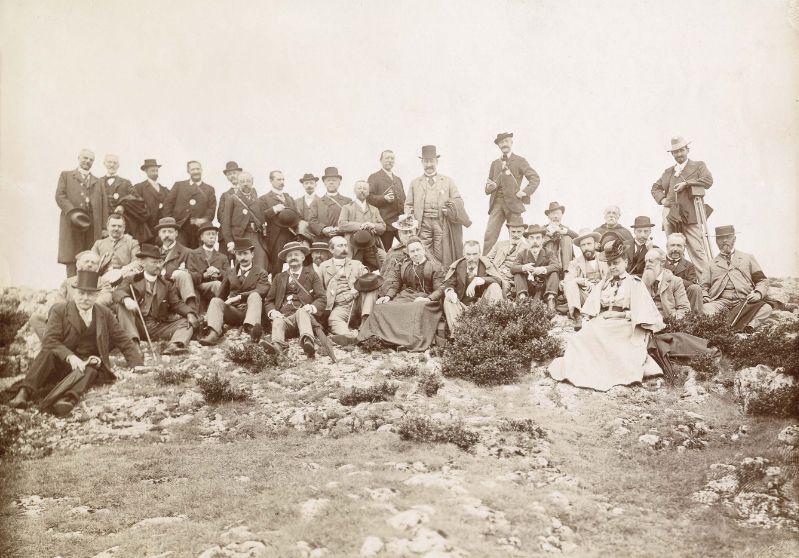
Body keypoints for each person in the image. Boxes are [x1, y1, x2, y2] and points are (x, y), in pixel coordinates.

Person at [6, 270, 142, 415]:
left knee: (92, 370)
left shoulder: (104, 313)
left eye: (90, 294)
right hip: (58, 362)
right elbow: (50, 340)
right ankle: (24, 393)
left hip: (85, 364)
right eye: (81, 293)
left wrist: (137, 365)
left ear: (96, 295)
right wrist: (70, 357)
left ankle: (67, 400)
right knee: (47, 353)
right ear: (75, 293)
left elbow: (122, 340)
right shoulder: (60, 310)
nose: (85, 298)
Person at [549, 238, 665, 392]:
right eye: (610, 264)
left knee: (614, 342)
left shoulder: (634, 283)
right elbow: (591, 306)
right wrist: (591, 318)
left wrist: (620, 316)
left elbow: (643, 313)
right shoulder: (604, 283)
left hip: (623, 324)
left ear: (625, 262)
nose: (613, 267)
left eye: (616, 263)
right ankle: (586, 372)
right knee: (581, 337)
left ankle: (609, 374)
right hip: (602, 321)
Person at [358, 237, 444, 352]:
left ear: (424, 250)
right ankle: (380, 338)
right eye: (412, 251)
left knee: (417, 308)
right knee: (381, 307)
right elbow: (395, 285)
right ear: (408, 253)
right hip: (406, 296)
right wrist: (387, 296)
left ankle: (408, 341)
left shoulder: (434, 266)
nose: (416, 254)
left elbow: (440, 289)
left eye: (418, 250)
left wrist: (428, 299)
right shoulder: (404, 266)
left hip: (427, 300)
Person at [115, 244, 199, 354]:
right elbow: (118, 292)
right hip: (137, 325)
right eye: (154, 262)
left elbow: (176, 304)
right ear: (143, 263)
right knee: (121, 306)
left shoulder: (166, 284)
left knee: (186, 322)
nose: (158, 266)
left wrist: (189, 313)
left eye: (160, 262)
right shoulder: (132, 279)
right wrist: (126, 299)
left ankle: (175, 345)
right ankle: (133, 345)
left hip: (157, 326)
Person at [651, 136, 714, 276]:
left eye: (681, 150)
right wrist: (662, 200)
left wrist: (687, 183)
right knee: (675, 249)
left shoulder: (698, 166)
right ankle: (681, 282)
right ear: (672, 154)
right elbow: (655, 187)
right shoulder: (668, 172)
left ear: (687, 150)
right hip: (670, 215)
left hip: (690, 214)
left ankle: (705, 284)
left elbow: (708, 181)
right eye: (675, 152)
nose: (679, 154)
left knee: (696, 249)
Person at [405, 145, 470, 267]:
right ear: (422, 162)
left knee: (441, 253)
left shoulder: (447, 181)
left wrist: (450, 208)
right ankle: (427, 279)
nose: (429, 164)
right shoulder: (415, 183)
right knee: (424, 252)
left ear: (437, 161)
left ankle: (441, 279)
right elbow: (408, 205)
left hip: (441, 223)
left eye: (431, 161)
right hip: (422, 224)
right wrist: (410, 220)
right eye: (426, 161)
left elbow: (458, 200)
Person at [28, 251, 114, 340]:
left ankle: (58, 347)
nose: (89, 264)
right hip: (66, 318)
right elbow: (59, 301)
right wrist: (68, 312)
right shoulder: (68, 282)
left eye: (93, 263)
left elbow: (106, 297)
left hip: (89, 319)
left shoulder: (103, 282)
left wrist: (84, 307)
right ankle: (55, 346)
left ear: (97, 267)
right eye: (86, 261)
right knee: (36, 318)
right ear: (78, 264)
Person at [199, 239, 270, 345]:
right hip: (234, 312)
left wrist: (238, 297)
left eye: (246, 254)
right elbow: (221, 295)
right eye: (239, 254)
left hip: (252, 311)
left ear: (252, 254)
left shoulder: (261, 272)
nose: (243, 258)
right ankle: (214, 333)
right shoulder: (230, 272)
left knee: (255, 295)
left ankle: (252, 330)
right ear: (236, 255)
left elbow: (262, 290)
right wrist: (215, 312)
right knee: (215, 300)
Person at [701, 225, 773, 331]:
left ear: (734, 239)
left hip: (744, 301)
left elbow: (762, 280)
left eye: (728, 237)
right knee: (704, 309)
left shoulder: (747, 258)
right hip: (720, 302)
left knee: (767, 308)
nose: (725, 240)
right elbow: (703, 286)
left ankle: (749, 327)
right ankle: (735, 325)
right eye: (720, 238)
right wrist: (705, 296)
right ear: (716, 241)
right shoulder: (710, 264)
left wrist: (758, 293)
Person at [263, 241, 326, 358]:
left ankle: (308, 342)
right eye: (289, 256)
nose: (293, 258)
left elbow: (322, 298)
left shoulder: (312, 275)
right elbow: (269, 300)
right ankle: (277, 347)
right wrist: (273, 312)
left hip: (305, 319)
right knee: (277, 320)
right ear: (286, 260)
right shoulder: (279, 277)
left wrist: (311, 307)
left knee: (301, 312)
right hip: (285, 319)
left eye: (296, 255)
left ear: (303, 257)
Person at [483, 132, 540, 255]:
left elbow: (535, 178)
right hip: (497, 204)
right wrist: (489, 187)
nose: (504, 144)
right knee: (489, 236)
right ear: (498, 145)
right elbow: (487, 188)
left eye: (506, 141)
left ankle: (518, 269)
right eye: (501, 142)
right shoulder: (495, 163)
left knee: (517, 238)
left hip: (514, 205)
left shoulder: (520, 160)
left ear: (511, 142)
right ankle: (483, 272)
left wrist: (524, 192)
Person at [56, 149, 106, 277]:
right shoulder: (66, 175)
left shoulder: (99, 182)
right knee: (72, 257)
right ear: (78, 158)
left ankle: (88, 290)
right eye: (85, 158)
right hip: (73, 223)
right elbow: (60, 196)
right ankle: (71, 291)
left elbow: (104, 205)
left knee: (91, 257)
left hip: (93, 225)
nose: (87, 161)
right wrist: (73, 213)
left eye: (91, 160)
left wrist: (104, 227)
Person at [317, 236, 376, 342]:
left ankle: (364, 324)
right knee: (333, 319)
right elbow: (319, 290)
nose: (344, 248)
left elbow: (370, 280)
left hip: (358, 301)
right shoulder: (323, 267)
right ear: (331, 249)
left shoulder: (356, 264)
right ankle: (349, 336)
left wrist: (358, 288)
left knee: (372, 290)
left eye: (345, 245)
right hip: (340, 306)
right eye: (340, 246)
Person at [442, 240, 504, 332]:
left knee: (494, 286)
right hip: (462, 307)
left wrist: (481, 280)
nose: (471, 258)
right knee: (448, 298)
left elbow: (499, 281)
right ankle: (459, 335)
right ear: (464, 254)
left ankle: (495, 329)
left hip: (483, 306)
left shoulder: (486, 265)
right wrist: (450, 291)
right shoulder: (458, 266)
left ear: (480, 254)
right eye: (468, 254)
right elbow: (449, 283)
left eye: (475, 254)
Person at [163, 160, 216, 249]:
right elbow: (168, 204)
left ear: (201, 170)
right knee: (180, 252)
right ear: (188, 171)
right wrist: (171, 223)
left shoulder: (209, 189)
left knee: (198, 255)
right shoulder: (179, 185)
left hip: (199, 229)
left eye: (198, 169)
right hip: (181, 227)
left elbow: (211, 208)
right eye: (193, 169)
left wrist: (202, 220)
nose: (196, 172)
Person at [221, 171, 267, 270]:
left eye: (248, 181)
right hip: (240, 237)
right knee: (243, 263)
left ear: (252, 183)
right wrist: (230, 241)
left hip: (256, 236)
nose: (245, 184)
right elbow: (226, 223)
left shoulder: (257, 200)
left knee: (261, 261)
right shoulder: (232, 199)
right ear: (238, 183)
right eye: (242, 181)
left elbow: (263, 217)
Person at [563, 228, 608, 330]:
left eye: (589, 244)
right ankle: (577, 315)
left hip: (602, 294)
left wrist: (599, 286)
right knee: (570, 284)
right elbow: (567, 280)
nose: (586, 248)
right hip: (586, 296)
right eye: (583, 245)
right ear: (580, 247)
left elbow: (610, 277)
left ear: (595, 244)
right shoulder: (574, 263)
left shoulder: (604, 259)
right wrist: (583, 281)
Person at [259, 170, 300, 277]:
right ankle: (276, 291)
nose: (282, 182)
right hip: (276, 238)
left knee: (294, 263)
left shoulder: (289, 198)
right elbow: (260, 217)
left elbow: (296, 215)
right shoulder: (264, 199)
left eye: (283, 179)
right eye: (278, 179)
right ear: (271, 181)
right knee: (277, 266)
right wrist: (273, 210)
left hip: (291, 236)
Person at [511, 224, 560, 310]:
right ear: (527, 240)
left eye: (538, 238)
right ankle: (523, 298)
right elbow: (513, 268)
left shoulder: (549, 253)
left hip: (544, 287)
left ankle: (550, 299)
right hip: (528, 287)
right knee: (518, 272)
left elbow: (557, 266)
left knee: (554, 272)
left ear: (542, 239)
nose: (535, 241)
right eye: (532, 238)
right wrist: (524, 267)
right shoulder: (522, 254)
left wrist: (542, 269)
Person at [155, 217, 199, 312]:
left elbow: (198, 277)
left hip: (178, 293)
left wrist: (184, 273)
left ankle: (192, 312)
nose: (167, 235)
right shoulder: (154, 253)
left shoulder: (187, 252)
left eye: (170, 232)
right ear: (159, 234)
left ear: (176, 234)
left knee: (182, 274)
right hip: (159, 293)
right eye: (164, 232)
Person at [367, 150, 406, 250]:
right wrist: (384, 198)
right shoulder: (374, 177)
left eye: (392, 158)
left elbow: (403, 199)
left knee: (408, 248)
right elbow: (368, 197)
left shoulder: (398, 179)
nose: (390, 160)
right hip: (385, 224)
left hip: (400, 224)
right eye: (387, 158)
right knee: (384, 254)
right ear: (381, 160)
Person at [91, 213, 142, 285]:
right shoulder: (99, 244)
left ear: (124, 228)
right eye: (113, 226)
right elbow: (91, 262)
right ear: (108, 227)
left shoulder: (132, 243)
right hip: (102, 282)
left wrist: (121, 272)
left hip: (124, 281)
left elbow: (137, 262)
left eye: (119, 226)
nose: (116, 229)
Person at [187, 224, 230, 305]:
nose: (211, 237)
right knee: (217, 285)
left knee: (218, 284)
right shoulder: (193, 254)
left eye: (213, 234)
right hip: (199, 286)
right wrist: (204, 275)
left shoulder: (222, 257)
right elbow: (190, 275)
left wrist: (219, 273)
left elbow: (229, 276)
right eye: (208, 234)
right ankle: (222, 308)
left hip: (217, 286)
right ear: (202, 238)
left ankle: (222, 309)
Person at [642, 248, 690, 320]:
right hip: (646, 322)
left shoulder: (675, 281)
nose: (647, 265)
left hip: (668, 323)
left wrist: (673, 323)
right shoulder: (642, 282)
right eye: (646, 262)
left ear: (662, 262)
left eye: (651, 261)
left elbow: (684, 309)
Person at [338, 180, 386, 251]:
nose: (362, 191)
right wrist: (361, 225)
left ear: (368, 192)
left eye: (365, 189)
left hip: (372, 246)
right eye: (359, 188)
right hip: (352, 246)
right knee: (352, 262)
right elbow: (341, 225)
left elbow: (383, 227)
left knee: (385, 259)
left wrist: (372, 225)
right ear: (354, 190)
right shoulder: (347, 207)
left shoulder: (374, 209)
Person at [308, 167, 353, 241]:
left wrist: (340, 229)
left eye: (334, 180)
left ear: (339, 183)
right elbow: (311, 220)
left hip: (343, 240)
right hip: (323, 240)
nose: (331, 182)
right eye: (328, 180)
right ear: (324, 183)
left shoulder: (347, 201)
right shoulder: (316, 202)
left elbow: (352, 220)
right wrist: (323, 229)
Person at [133, 159, 170, 244]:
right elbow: (136, 206)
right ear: (146, 171)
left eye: (156, 170)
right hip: (147, 226)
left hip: (161, 226)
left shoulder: (164, 189)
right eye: (152, 170)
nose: (155, 173)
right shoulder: (139, 187)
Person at [665, 232, 703, 314]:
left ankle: (693, 319)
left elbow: (692, 283)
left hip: (683, 298)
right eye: (672, 245)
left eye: (679, 246)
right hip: (664, 298)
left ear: (684, 248)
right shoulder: (660, 262)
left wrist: (675, 280)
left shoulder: (689, 266)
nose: (675, 249)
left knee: (696, 288)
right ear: (667, 246)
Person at [485, 214, 529, 285]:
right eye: (513, 232)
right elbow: (487, 259)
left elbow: (526, 269)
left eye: (519, 232)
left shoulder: (527, 248)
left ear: (523, 231)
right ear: (509, 230)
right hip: (494, 275)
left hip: (512, 279)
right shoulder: (499, 244)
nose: (516, 235)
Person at [217, 161, 243, 260]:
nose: (232, 176)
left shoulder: (249, 192)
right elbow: (220, 216)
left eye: (234, 173)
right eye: (229, 174)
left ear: (240, 174)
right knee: (224, 264)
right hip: (226, 236)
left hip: (242, 234)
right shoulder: (225, 195)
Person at [542, 201, 578, 271]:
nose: (556, 216)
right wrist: (548, 237)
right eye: (553, 214)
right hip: (548, 259)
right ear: (548, 216)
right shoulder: (543, 229)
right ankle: (551, 269)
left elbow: (578, 237)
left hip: (564, 258)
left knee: (567, 238)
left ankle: (566, 271)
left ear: (562, 215)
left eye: (558, 213)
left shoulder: (564, 228)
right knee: (550, 243)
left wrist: (566, 232)